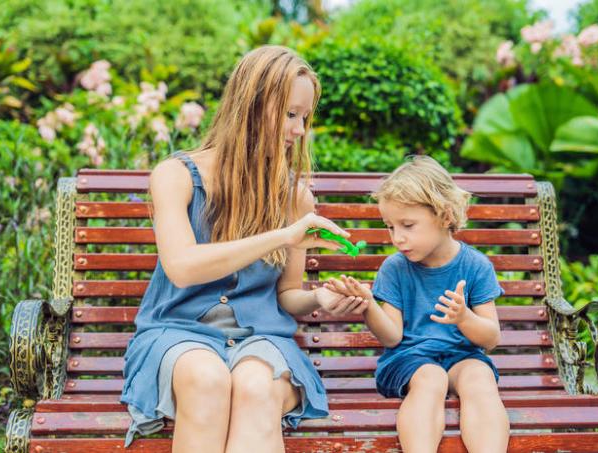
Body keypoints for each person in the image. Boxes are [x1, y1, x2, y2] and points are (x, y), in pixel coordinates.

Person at [120, 45, 367, 453]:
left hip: (261, 338)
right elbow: (182, 267)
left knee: (257, 388)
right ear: (251, 106)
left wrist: (319, 297)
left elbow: (287, 296)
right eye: (290, 114)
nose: (300, 130)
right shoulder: (176, 176)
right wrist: (282, 237)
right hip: (178, 334)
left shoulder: (294, 198)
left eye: (304, 117)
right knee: (207, 380)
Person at [325, 156, 510, 453]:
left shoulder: (475, 266)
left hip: (461, 358)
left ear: (445, 216)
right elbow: (392, 337)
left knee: (480, 377)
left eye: (408, 225)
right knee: (431, 377)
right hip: (409, 361)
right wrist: (369, 305)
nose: (398, 238)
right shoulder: (394, 269)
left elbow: (491, 339)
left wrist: (464, 317)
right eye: (390, 227)